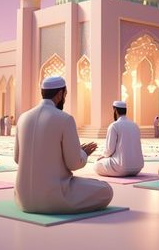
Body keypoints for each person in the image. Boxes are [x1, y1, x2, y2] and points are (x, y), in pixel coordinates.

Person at [14, 76, 113, 214]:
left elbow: (18, 159)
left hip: (22, 200)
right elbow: (74, 163)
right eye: (65, 95)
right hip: (54, 197)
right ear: (60, 94)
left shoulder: (23, 118)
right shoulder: (65, 119)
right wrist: (83, 153)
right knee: (105, 190)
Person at [94, 101, 144, 177]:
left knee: (96, 165)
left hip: (121, 168)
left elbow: (109, 150)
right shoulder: (135, 125)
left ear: (115, 110)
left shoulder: (114, 126)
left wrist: (102, 156)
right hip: (137, 168)